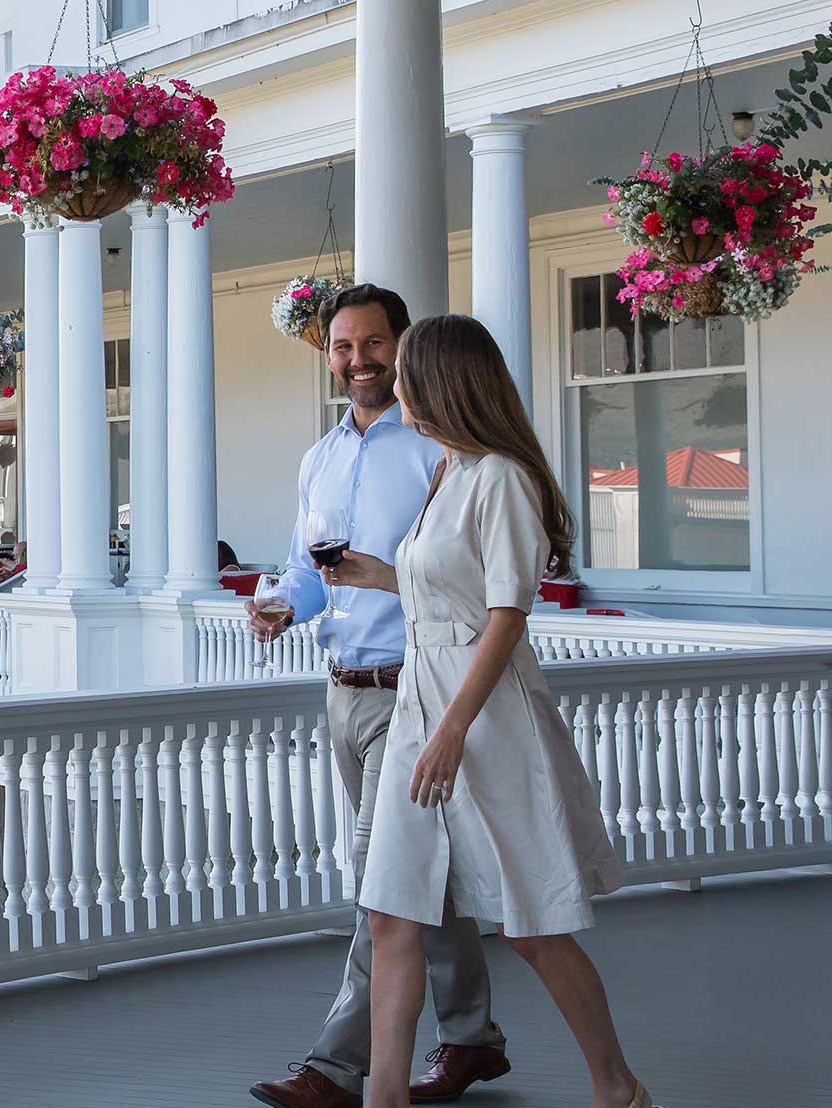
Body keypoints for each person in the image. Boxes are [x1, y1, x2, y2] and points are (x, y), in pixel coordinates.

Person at [332, 316, 646, 1108]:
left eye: (404, 371)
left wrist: (452, 730)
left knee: (532, 921)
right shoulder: (448, 471)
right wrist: (378, 577)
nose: (392, 384)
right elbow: (447, 594)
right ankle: (385, 1097)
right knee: (390, 912)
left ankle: (618, 1087)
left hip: (481, 715)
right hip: (418, 707)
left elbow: (507, 614)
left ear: (442, 381)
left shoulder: (500, 475)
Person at [246, 285, 508, 1108]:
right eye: (342, 346)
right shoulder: (319, 459)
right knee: (424, 877)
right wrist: (286, 606)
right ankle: (471, 1039)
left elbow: (466, 581)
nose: (358, 360)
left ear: (403, 345)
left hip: (417, 691)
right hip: (344, 692)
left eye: (373, 344)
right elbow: (310, 571)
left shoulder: (439, 449)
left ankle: (334, 1067)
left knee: (380, 884)